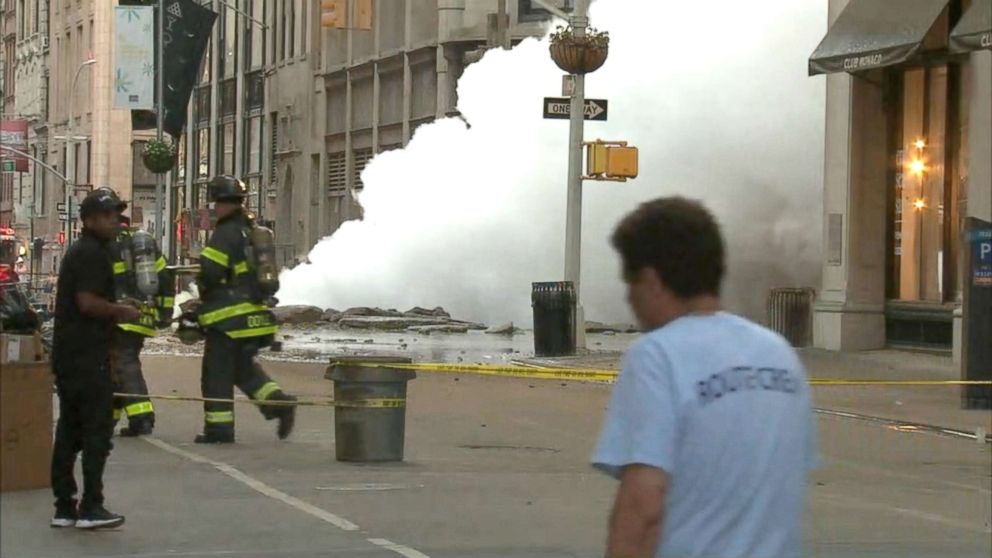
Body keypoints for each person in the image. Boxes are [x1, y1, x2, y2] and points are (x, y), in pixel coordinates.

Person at [593, 197, 816, 558]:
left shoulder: (658, 356)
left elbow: (645, 505)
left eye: (628, 283)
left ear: (651, 281)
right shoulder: (780, 356)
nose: (628, 298)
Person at [50, 190, 142, 530]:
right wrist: (122, 311)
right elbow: (88, 303)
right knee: (95, 433)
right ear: (88, 220)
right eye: (107, 216)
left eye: (116, 214)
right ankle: (91, 506)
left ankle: (64, 507)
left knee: (70, 431)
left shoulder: (85, 251)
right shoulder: (90, 253)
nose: (114, 221)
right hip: (87, 357)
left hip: (72, 356)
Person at [194, 175, 296, 444]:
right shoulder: (251, 230)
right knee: (243, 370)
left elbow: (212, 271)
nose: (214, 208)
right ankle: (279, 404)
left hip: (228, 318)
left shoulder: (225, 232)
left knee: (216, 373)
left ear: (222, 203)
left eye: (216, 202)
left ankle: (219, 429)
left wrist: (201, 290)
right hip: (254, 316)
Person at [102, 188, 175, 436]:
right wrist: (164, 311)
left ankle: (142, 417)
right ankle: (108, 420)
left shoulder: (106, 245)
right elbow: (165, 278)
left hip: (120, 316)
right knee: (116, 368)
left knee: (124, 365)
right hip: (144, 316)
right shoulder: (144, 243)